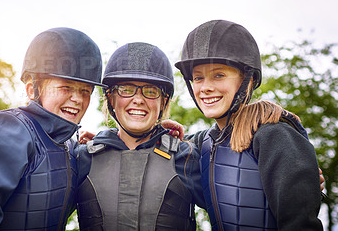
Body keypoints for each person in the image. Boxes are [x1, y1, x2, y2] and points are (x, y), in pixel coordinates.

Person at [0, 27, 104, 230]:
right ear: (31, 89)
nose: (78, 99)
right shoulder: (7, 130)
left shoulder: (71, 148)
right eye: (66, 87)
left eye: (85, 91)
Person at [175, 20, 323, 230]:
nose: (205, 87)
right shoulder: (204, 142)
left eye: (219, 75)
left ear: (249, 79)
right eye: (198, 78)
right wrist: (163, 130)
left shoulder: (275, 135)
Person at [76, 42, 205, 230]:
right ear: (111, 98)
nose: (138, 99)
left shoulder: (186, 157)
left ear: (164, 101)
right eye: (126, 89)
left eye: (151, 91)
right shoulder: (82, 158)